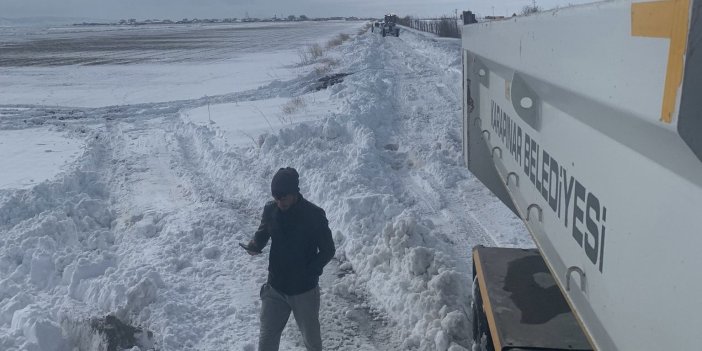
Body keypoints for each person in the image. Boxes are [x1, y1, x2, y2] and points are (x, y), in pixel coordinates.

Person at [244, 167, 336, 351]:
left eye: (283, 197)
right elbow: (263, 232)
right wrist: (255, 245)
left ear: (294, 193)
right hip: (275, 287)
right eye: (276, 198)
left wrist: (309, 272)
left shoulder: (314, 215)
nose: (279, 202)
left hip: (303, 291)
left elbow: (328, 250)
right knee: (267, 338)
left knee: (312, 342)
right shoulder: (271, 209)